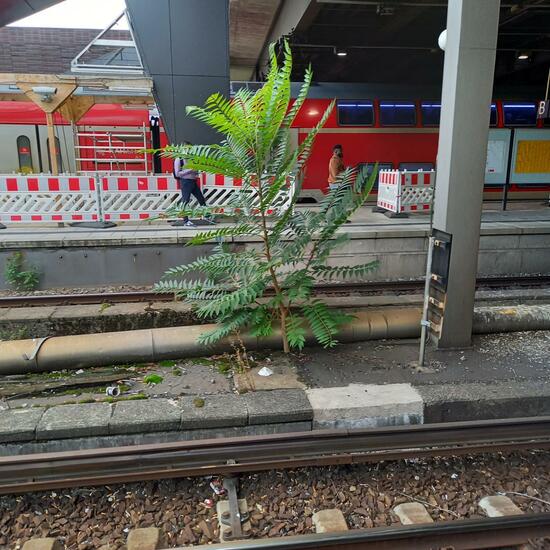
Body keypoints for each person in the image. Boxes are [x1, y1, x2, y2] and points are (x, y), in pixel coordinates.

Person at [173, 141, 213, 227]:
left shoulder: (191, 158)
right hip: (185, 182)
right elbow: (177, 173)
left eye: (190, 148)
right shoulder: (179, 159)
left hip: (193, 181)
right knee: (185, 201)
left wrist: (197, 169)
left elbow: (195, 169)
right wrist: (190, 170)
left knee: (201, 198)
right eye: (187, 148)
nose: (189, 150)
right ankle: (186, 221)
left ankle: (207, 216)